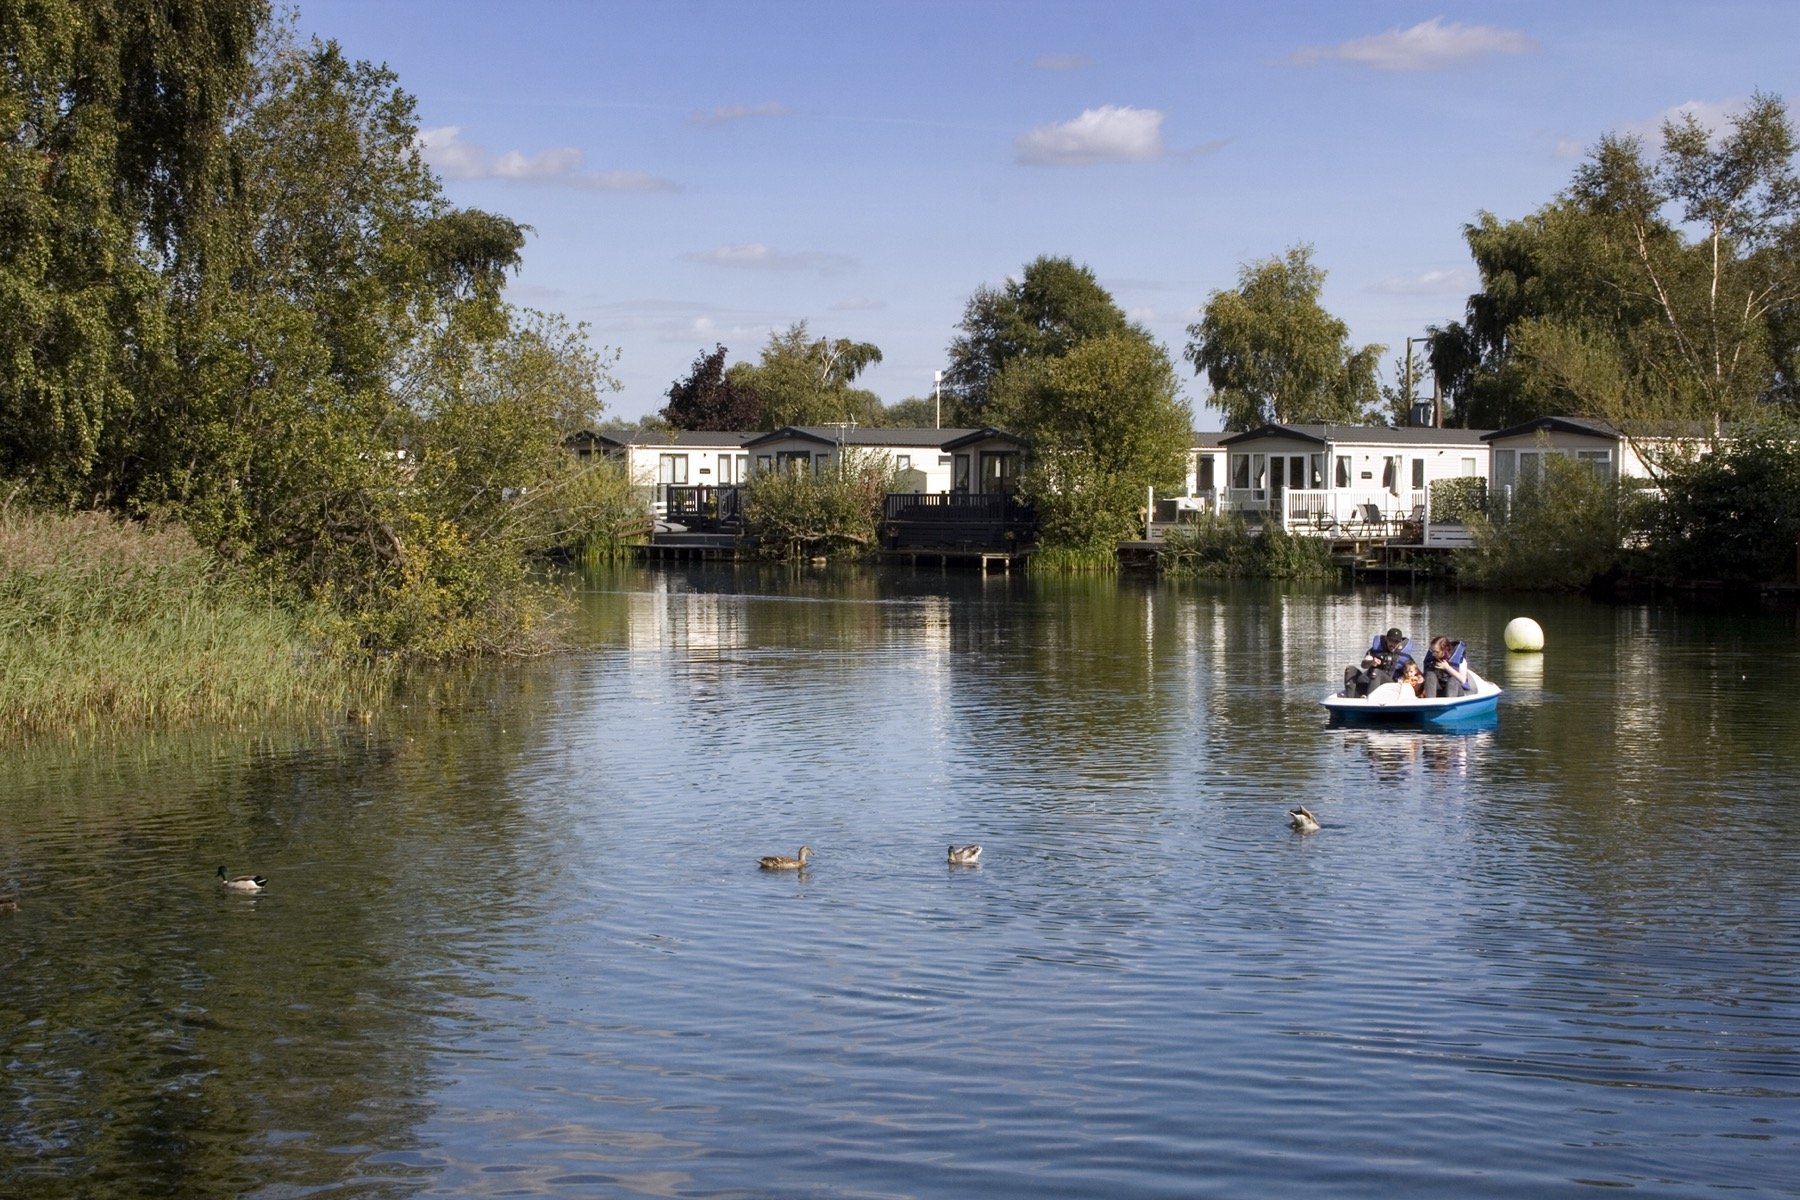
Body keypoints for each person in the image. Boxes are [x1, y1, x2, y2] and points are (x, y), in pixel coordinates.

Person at [1342, 626, 1414, 698]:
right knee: (1350, 670)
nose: (1393, 644)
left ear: (1400, 642)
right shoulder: (1375, 651)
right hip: (1370, 683)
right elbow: (1363, 664)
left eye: (1396, 642)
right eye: (1391, 641)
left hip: (1390, 687)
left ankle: (1370, 701)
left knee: (1376, 672)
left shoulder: (1405, 656)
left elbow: (1414, 671)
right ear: (1386, 639)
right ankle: (1350, 699)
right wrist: (1371, 662)